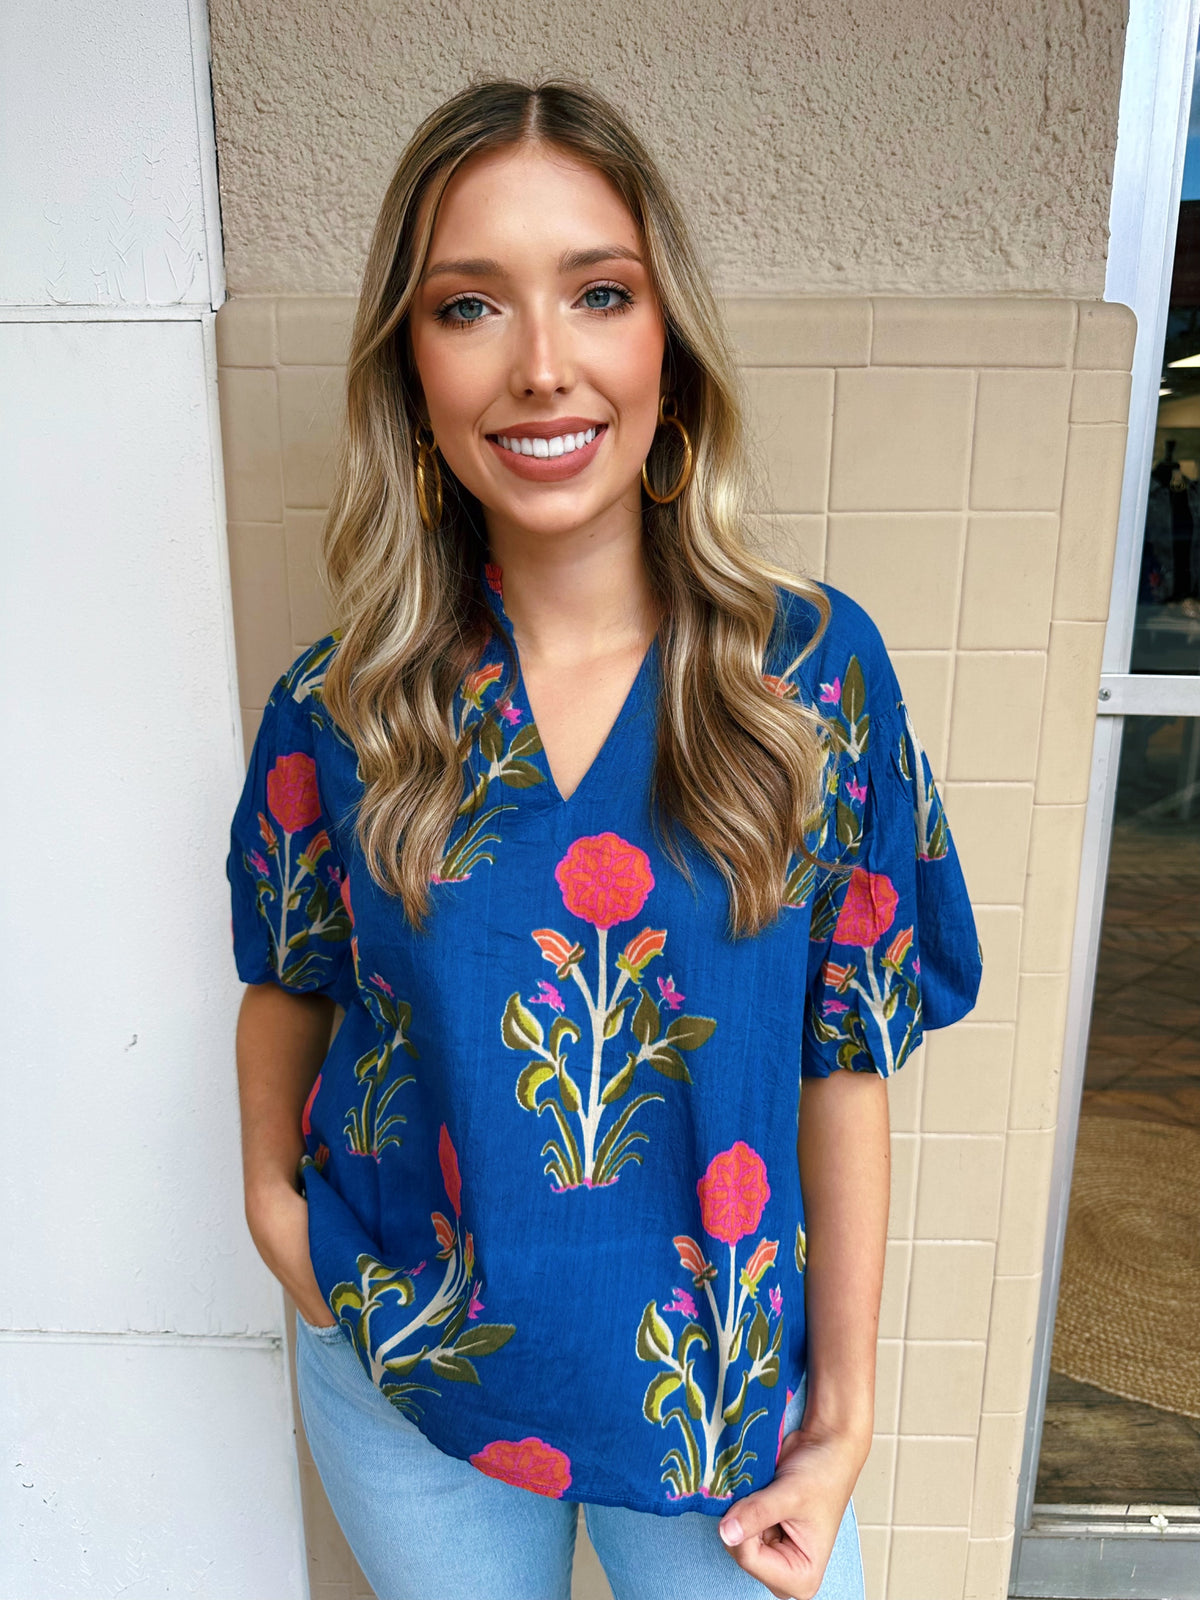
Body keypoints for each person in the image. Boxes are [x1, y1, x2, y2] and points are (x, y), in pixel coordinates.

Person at [226, 76, 983, 1600]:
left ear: (667, 344)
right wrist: (273, 1216)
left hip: (724, 1422)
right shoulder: (347, 701)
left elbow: (844, 1052)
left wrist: (840, 1421)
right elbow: (292, 980)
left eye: (600, 293)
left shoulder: (809, 679)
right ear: (412, 371)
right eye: (470, 308)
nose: (543, 366)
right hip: (410, 1385)